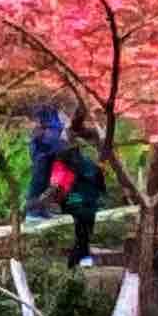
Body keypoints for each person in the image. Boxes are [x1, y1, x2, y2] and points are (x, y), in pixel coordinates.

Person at [26, 102, 107, 265]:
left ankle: (39, 210)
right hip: (48, 147)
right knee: (41, 177)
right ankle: (34, 212)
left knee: (48, 178)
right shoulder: (49, 117)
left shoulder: (60, 120)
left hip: (56, 149)